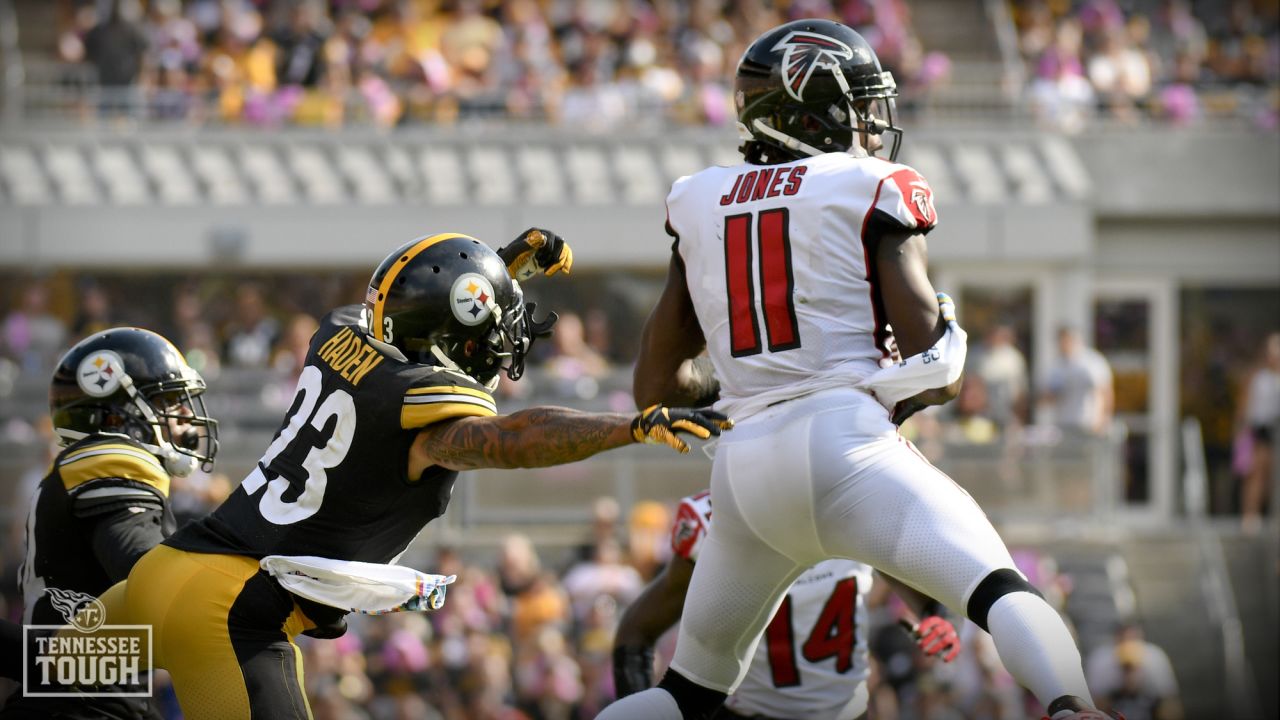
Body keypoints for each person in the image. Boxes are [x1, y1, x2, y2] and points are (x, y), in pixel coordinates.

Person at [599, 19, 1106, 720]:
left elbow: (658, 391)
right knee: (1000, 590)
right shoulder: (867, 184)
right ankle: (1072, 705)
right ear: (815, 106)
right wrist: (925, 351)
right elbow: (936, 364)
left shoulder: (700, 198)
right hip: (846, 447)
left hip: (744, 470)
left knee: (686, 694)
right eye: (860, 105)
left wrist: (748, 378)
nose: (872, 123)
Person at [94, 228, 730, 719]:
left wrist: (500, 271)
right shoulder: (424, 410)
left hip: (168, 572)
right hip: (232, 608)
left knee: (46, 688)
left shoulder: (342, 331)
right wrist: (631, 425)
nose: (507, 337)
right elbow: (510, 440)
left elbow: (416, 309)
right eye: (494, 320)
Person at [1, 327, 219, 719]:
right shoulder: (108, 459)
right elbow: (154, 581)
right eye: (170, 400)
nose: (186, 414)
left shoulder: (69, 476)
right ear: (121, 412)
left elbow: (96, 653)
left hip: (86, 698)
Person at [613, 489, 961, 720]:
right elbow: (636, 631)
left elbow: (927, 598)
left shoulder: (859, 508)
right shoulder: (712, 520)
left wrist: (937, 616)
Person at [1239, 332, 1280, 532]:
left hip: (1276, 430)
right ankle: (1251, 515)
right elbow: (1246, 407)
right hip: (1261, 430)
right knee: (1257, 475)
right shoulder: (1258, 378)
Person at [1043, 326, 1114, 437]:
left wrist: (1103, 418)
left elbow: (1105, 391)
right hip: (1065, 424)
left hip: (1089, 424)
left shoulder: (1092, 362)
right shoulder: (1056, 366)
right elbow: (1047, 399)